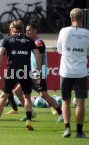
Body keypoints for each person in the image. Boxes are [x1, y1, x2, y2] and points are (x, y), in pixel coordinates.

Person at [6, 23, 64, 123]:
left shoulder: (39, 42)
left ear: (35, 31)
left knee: (43, 95)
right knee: (17, 91)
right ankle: (30, 112)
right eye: (26, 30)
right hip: (29, 73)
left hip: (38, 72)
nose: (27, 32)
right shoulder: (29, 42)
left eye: (29, 30)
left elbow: (40, 58)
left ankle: (62, 113)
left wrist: (37, 72)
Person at [0, 20, 42, 131]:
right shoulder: (29, 40)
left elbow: (0, 53)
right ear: (22, 28)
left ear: (12, 29)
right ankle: (29, 120)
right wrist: (37, 69)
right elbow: (38, 54)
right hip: (25, 71)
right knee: (27, 97)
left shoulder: (7, 39)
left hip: (12, 71)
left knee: (3, 96)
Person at [57, 8, 89, 138]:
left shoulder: (64, 31)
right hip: (81, 72)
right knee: (80, 103)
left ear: (71, 18)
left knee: (66, 101)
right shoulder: (87, 33)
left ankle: (67, 128)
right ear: (83, 19)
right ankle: (80, 132)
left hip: (66, 71)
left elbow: (59, 50)